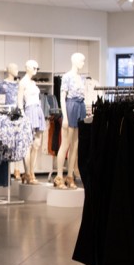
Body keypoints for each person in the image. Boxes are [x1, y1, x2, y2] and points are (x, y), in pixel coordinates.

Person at [54, 52, 87, 189]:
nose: (83, 63)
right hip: (71, 106)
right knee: (65, 144)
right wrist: (65, 117)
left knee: (75, 144)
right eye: (81, 60)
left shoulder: (81, 78)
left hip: (80, 106)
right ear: (74, 61)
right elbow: (62, 97)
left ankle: (70, 175)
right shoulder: (67, 76)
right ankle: (59, 176)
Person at [17, 60, 44, 185]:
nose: (36, 70)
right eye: (34, 67)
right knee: (28, 144)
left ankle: (32, 172)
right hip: (29, 111)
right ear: (27, 67)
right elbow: (19, 101)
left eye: (37, 68)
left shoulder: (33, 82)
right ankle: (27, 173)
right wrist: (23, 115)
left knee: (37, 144)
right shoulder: (22, 82)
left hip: (38, 111)